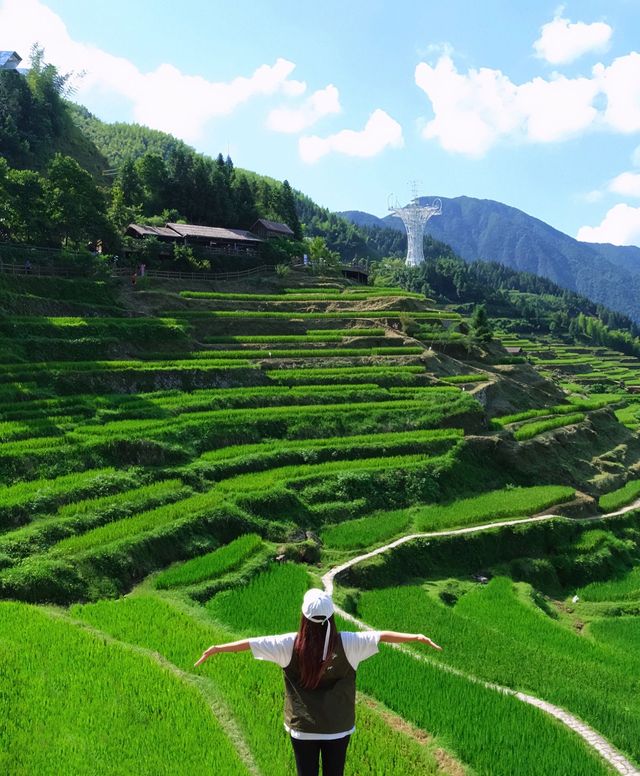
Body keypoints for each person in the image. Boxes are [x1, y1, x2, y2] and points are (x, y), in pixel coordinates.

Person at [195, 588, 441, 776]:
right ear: (331, 617)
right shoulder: (349, 643)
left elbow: (249, 643)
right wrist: (417, 637)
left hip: (303, 729)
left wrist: (217, 648)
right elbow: (381, 636)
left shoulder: (287, 645)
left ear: (303, 617)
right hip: (339, 728)